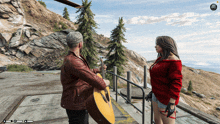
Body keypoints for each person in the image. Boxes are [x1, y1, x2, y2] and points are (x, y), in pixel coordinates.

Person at [60, 31, 110, 124]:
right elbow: (98, 83)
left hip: (76, 101)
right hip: (76, 103)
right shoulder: (73, 61)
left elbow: (81, 73)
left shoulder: (73, 58)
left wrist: (97, 70)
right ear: (80, 44)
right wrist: (104, 83)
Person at [146, 36, 183, 124]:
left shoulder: (174, 61)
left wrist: (172, 103)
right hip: (156, 94)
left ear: (165, 45)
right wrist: (153, 91)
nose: (156, 46)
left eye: (158, 44)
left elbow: (176, 83)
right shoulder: (161, 58)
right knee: (157, 120)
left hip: (166, 98)